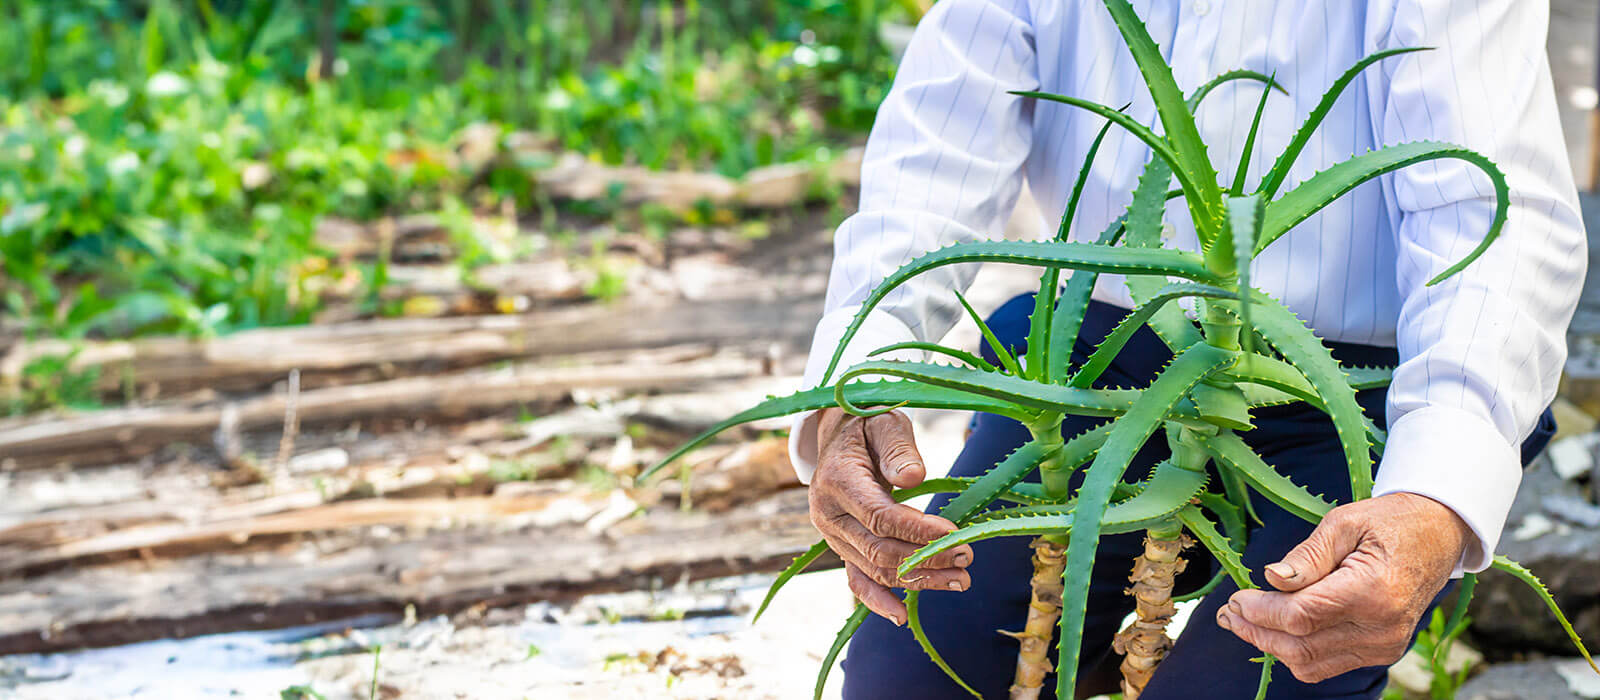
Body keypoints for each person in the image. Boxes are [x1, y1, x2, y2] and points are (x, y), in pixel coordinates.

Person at [787, 1, 1584, 698]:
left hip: (1357, 386)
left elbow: (1489, 220)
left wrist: (1436, 495)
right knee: (916, 674)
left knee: (1271, 665)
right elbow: (932, 157)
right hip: (1100, 357)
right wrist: (859, 380)